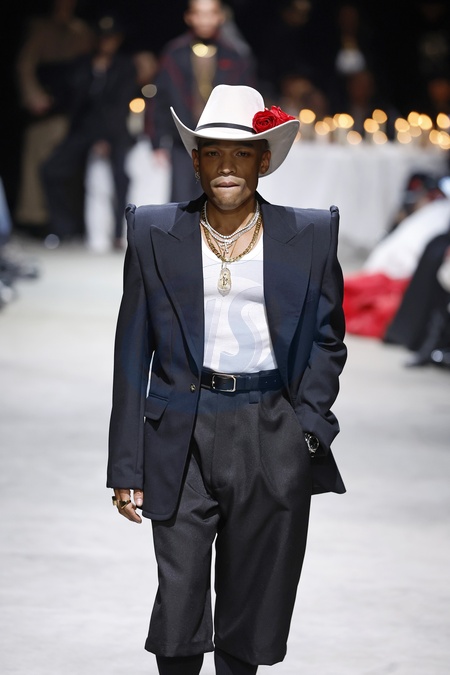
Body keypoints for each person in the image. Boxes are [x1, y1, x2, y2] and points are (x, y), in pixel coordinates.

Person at [107, 84, 347, 674]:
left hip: (271, 428)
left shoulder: (310, 235)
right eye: (213, 153)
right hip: (180, 431)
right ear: (196, 161)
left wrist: (307, 430)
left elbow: (327, 339)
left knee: (251, 603)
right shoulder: (154, 232)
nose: (227, 167)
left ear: (264, 161)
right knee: (180, 599)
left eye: (241, 154)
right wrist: (126, 464)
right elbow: (131, 353)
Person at [144, 0, 257, 202]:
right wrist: (157, 142)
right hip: (182, 141)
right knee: (181, 203)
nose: (205, 20)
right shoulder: (174, 53)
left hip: (222, 143)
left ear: (220, 16)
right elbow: (160, 98)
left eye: (210, 13)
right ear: (189, 17)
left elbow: (245, 100)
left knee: (217, 201)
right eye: (199, 14)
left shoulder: (235, 55)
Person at [40, 14, 138, 248]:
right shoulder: (83, 63)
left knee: (120, 178)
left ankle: (119, 234)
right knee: (50, 170)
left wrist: (104, 137)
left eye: (111, 38)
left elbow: (120, 105)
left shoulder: (125, 66)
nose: (106, 42)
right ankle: (63, 229)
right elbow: (72, 97)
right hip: (83, 129)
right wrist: (94, 72)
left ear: (118, 39)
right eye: (103, 37)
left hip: (113, 131)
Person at [14, 0, 95, 238]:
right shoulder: (40, 27)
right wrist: (32, 94)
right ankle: (38, 222)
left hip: (75, 111)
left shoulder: (82, 32)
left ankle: (66, 224)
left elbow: (89, 67)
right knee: (38, 166)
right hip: (46, 108)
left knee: (67, 170)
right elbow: (25, 64)